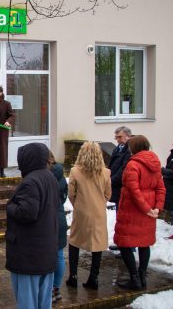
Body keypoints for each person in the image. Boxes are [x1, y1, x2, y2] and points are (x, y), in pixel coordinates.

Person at [6, 143, 59, 308]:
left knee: (28, 302)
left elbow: (27, 213)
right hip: (45, 252)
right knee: (44, 302)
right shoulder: (50, 177)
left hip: (29, 256)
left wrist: (10, 206)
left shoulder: (30, 182)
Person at [114, 135, 165, 290]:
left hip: (132, 211)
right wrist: (156, 208)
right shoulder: (155, 163)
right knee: (144, 244)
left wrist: (147, 209)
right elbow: (160, 188)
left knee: (123, 243)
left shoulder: (133, 165)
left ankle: (135, 278)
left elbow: (134, 190)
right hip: (148, 211)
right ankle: (142, 276)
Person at [66, 141, 111, 290]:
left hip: (81, 211)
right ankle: (94, 277)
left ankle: (73, 276)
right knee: (97, 244)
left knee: (74, 241)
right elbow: (108, 194)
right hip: (99, 212)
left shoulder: (75, 171)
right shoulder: (106, 172)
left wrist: (78, 205)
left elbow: (71, 194)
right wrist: (99, 203)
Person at [108, 126, 132, 251]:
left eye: (120, 137)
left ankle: (128, 245)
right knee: (119, 216)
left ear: (128, 136)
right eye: (116, 137)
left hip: (123, 187)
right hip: (117, 187)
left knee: (125, 217)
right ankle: (121, 242)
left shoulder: (129, 150)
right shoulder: (118, 148)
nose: (117, 140)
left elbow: (124, 169)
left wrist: (111, 180)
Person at [48, 151, 68, 303]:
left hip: (49, 219)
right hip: (60, 217)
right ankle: (56, 288)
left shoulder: (45, 176)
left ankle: (48, 289)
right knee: (59, 254)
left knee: (47, 256)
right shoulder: (60, 175)